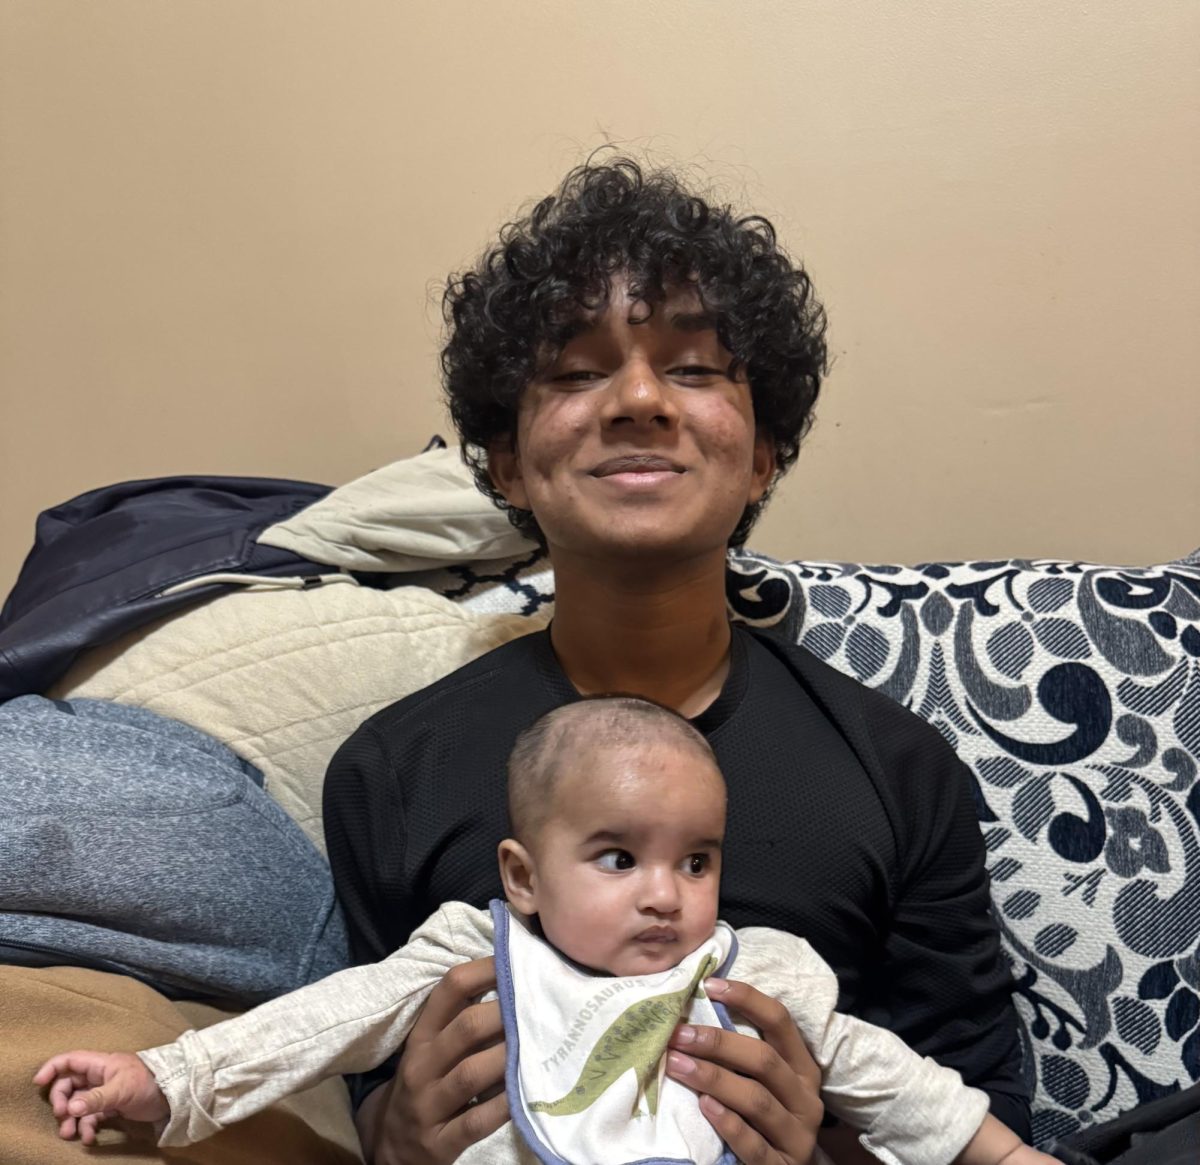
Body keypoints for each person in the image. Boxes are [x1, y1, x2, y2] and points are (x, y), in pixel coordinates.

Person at [322, 157, 1030, 1165]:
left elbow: (995, 1119)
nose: (640, 398)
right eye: (574, 371)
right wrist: (391, 1132)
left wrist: (819, 1151)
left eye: (695, 368)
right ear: (507, 461)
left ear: (764, 450)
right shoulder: (390, 774)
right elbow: (360, 1076)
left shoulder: (901, 768)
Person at [36, 697, 1055, 1165]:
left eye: (695, 861)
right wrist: (168, 1081)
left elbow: (891, 1079)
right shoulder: (469, 953)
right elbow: (316, 1025)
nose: (666, 894)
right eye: (619, 858)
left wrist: (1009, 1158)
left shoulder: (759, 971)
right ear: (521, 876)